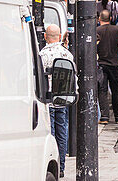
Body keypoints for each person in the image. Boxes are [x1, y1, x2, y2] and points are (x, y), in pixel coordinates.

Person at [40, 24, 73, 177]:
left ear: (46, 37)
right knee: (62, 133)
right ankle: (61, 168)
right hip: (62, 99)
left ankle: (52, 165)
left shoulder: (42, 55)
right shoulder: (67, 54)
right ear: (59, 37)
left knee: (50, 134)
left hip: (47, 101)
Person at [96, 9, 118, 124]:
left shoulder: (96, 30)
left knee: (102, 91)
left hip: (102, 66)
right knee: (117, 91)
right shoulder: (117, 30)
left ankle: (104, 117)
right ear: (110, 19)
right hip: (115, 65)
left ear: (99, 19)